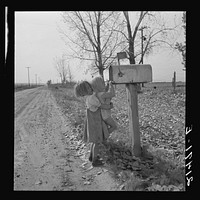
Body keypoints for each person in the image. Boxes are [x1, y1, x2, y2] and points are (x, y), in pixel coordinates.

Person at [74, 80, 112, 166]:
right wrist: (110, 106)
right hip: (95, 122)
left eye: (90, 86)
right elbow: (102, 106)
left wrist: (105, 87)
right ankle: (95, 160)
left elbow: (100, 92)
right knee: (96, 142)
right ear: (83, 92)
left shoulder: (89, 97)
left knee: (94, 141)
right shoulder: (91, 98)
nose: (90, 88)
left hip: (93, 121)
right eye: (87, 88)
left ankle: (91, 156)